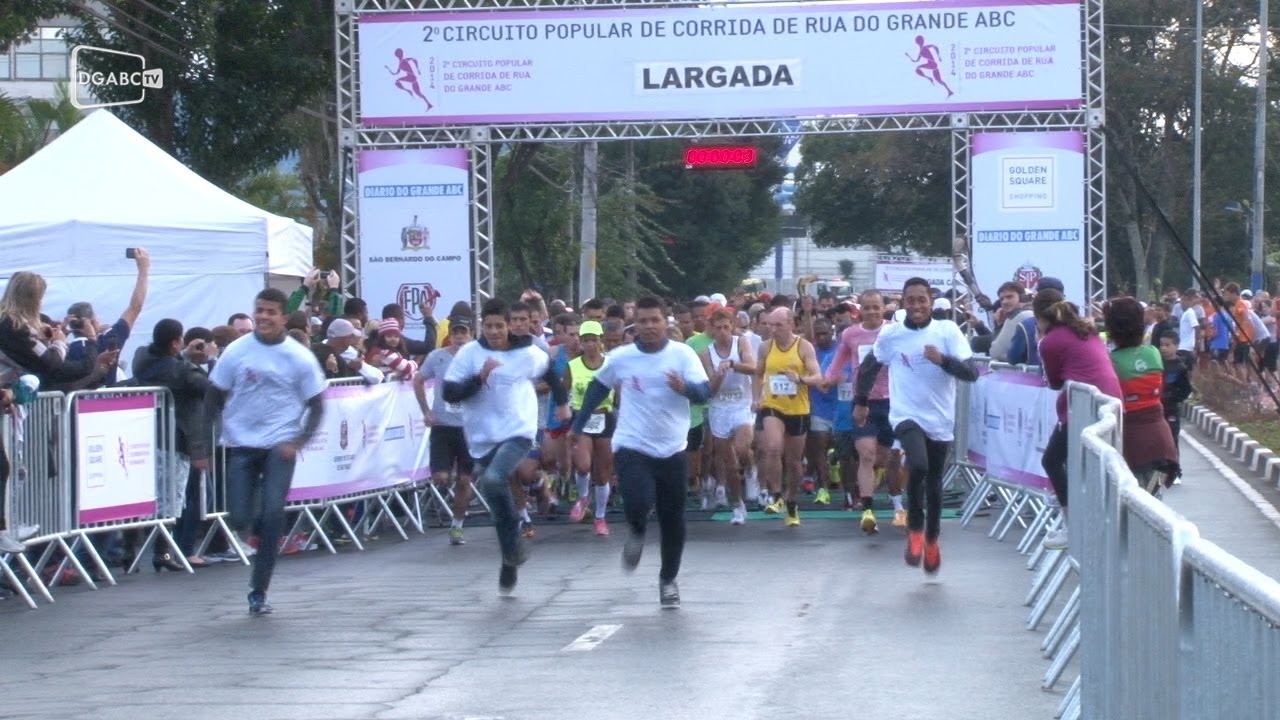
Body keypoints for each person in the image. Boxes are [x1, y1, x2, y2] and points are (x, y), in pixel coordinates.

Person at [571, 296, 711, 607]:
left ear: (666, 322)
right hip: (633, 443)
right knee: (637, 500)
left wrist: (684, 388)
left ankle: (668, 580)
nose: (649, 327)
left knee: (672, 516)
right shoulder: (622, 357)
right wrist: (578, 425)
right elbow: (598, 387)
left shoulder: (683, 354)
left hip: (673, 446)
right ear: (636, 326)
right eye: (643, 321)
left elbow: (703, 393)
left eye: (655, 321)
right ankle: (636, 531)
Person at [196, 288, 327, 615]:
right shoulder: (237, 351)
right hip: (240, 443)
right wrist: (201, 446)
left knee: (272, 516)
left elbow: (317, 405)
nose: (264, 317)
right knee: (241, 517)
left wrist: (297, 441)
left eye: (271, 312)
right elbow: (212, 399)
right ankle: (254, 527)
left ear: (284, 317)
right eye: (260, 310)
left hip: (279, 445)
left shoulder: (299, 356)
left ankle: (259, 590)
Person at [443, 299, 571, 595]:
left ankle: (513, 540)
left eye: (499, 326)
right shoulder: (470, 354)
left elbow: (551, 373)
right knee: (495, 497)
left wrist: (563, 404)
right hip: (482, 436)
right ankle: (509, 557)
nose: (494, 332)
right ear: (481, 327)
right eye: (488, 326)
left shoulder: (526, 353)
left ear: (509, 325)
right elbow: (450, 394)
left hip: (518, 430)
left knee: (493, 479)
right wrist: (480, 378)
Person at [854, 278, 977, 574]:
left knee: (934, 481)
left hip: (939, 418)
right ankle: (914, 530)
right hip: (905, 415)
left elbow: (971, 373)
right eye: (911, 300)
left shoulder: (947, 331)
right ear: (904, 303)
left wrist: (943, 360)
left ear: (931, 302)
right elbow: (871, 366)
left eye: (922, 300)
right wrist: (860, 402)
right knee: (918, 465)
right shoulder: (892, 335)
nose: (917, 305)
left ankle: (931, 539)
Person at [1033, 289, 1122, 550]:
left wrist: (1042, 340)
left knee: (1052, 460)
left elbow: (1054, 381)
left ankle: (1074, 524)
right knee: (1094, 466)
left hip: (1084, 406)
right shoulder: (1087, 330)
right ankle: (1093, 523)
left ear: (1040, 317)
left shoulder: (1049, 341)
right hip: (1110, 402)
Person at [132, 318, 213, 571]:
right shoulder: (180, 370)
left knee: (155, 496)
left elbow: (161, 361)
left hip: (149, 435)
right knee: (174, 497)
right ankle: (164, 551)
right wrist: (207, 360)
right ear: (176, 342)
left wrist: (183, 354)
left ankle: (152, 550)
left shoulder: (142, 358)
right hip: (177, 438)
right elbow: (205, 386)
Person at [825, 289, 902, 533]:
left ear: (883, 308)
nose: (871, 312)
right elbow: (837, 364)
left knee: (891, 459)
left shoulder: (894, 332)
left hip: (893, 401)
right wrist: (825, 379)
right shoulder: (851, 334)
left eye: (875, 307)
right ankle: (868, 509)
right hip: (863, 402)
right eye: (866, 307)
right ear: (861, 310)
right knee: (866, 455)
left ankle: (898, 505)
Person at [754, 307, 824, 526]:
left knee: (794, 462)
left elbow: (818, 377)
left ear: (791, 324)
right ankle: (776, 496)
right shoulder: (765, 347)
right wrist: (756, 397)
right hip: (772, 405)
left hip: (798, 409)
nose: (773, 329)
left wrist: (800, 379)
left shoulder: (804, 346)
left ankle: (791, 500)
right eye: (769, 325)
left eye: (778, 325)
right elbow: (758, 373)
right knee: (773, 448)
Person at [1105, 297, 1180, 494]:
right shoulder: (1153, 353)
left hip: (1133, 446)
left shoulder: (1111, 362)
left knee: (1135, 511)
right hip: (1163, 445)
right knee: (1152, 504)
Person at [415, 316, 476, 545]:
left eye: (464, 332)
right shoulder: (437, 357)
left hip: (467, 429)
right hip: (442, 425)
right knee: (441, 477)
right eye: (456, 332)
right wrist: (426, 411)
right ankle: (447, 476)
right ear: (450, 335)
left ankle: (457, 526)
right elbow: (418, 380)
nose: (460, 337)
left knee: (464, 481)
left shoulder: (476, 359)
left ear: (471, 335)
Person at [701, 308, 757, 525]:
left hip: (741, 404)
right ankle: (737, 506)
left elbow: (753, 368)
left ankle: (751, 469)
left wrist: (733, 364)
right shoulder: (706, 353)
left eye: (726, 327)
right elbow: (709, 390)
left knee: (743, 447)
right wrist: (717, 375)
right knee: (729, 463)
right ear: (711, 330)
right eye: (718, 328)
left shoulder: (740, 343)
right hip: (720, 407)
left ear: (732, 327)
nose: (723, 332)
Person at [565, 320, 615, 536]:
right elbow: (562, 393)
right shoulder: (573, 366)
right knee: (584, 466)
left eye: (594, 340)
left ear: (601, 341)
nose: (591, 344)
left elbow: (620, 393)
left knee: (603, 473)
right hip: (581, 419)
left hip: (605, 417)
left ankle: (600, 517)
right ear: (581, 343)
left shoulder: (611, 364)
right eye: (586, 340)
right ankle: (584, 497)